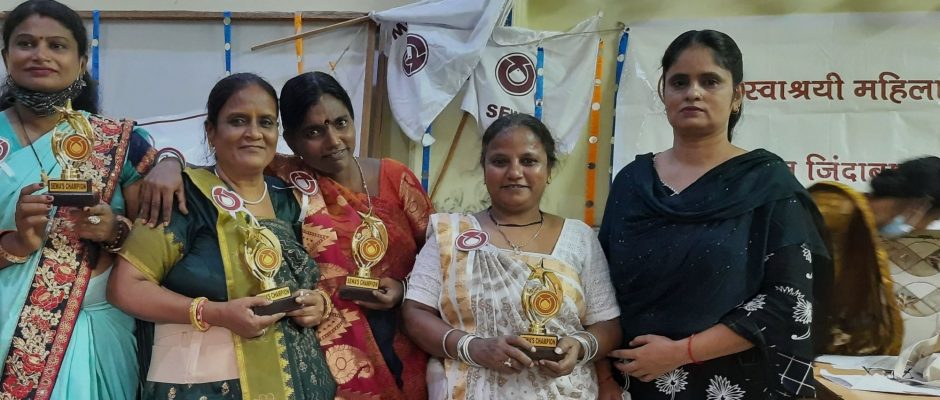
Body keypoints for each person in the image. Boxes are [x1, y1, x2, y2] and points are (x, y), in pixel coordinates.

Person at [598, 29, 831, 399]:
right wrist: (603, 380)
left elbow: (788, 301)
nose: (693, 93)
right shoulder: (632, 183)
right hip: (631, 385)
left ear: (737, 95)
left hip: (734, 385)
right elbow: (597, 293)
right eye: (679, 82)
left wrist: (680, 353)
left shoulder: (767, 184)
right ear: (663, 92)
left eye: (710, 81)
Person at [108, 73, 336, 399]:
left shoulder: (291, 199)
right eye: (238, 121)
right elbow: (125, 288)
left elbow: (316, 275)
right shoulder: (184, 195)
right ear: (211, 132)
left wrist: (317, 304)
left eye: (266, 122)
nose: (254, 133)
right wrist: (214, 313)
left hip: (299, 381)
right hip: (209, 383)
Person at [0, 1, 185, 398]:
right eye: (26, 43)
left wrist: (116, 231)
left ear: (82, 61)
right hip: (8, 331)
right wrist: (15, 243)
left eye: (57, 45)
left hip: (100, 329)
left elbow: (156, 244)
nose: (40, 55)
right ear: (5, 56)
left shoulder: (119, 142)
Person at [401, 113, 622, 399]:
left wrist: (581, 346)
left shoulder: (579, 238)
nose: (514, 172)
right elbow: (416, 312)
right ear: (484, 169)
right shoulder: (451, 234)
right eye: (500, 161)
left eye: (528, 161)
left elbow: (607, 323)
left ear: (549, 169)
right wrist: (474, 348)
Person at [266, 71, 432, 399]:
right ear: (292, 140)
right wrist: (169, 162)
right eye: (314, 132)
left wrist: (404, 289)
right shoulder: (285, 181)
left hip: (407, 338)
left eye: (341, 123)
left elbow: (441, 257)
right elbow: (221, 165)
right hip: (334, 350)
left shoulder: (395, 177)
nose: (333, 141)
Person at [810, 156, 940, 355]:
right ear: (920, 205)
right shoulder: (834, 209)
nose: (922, 228)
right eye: (932, 219)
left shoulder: (867, 233)